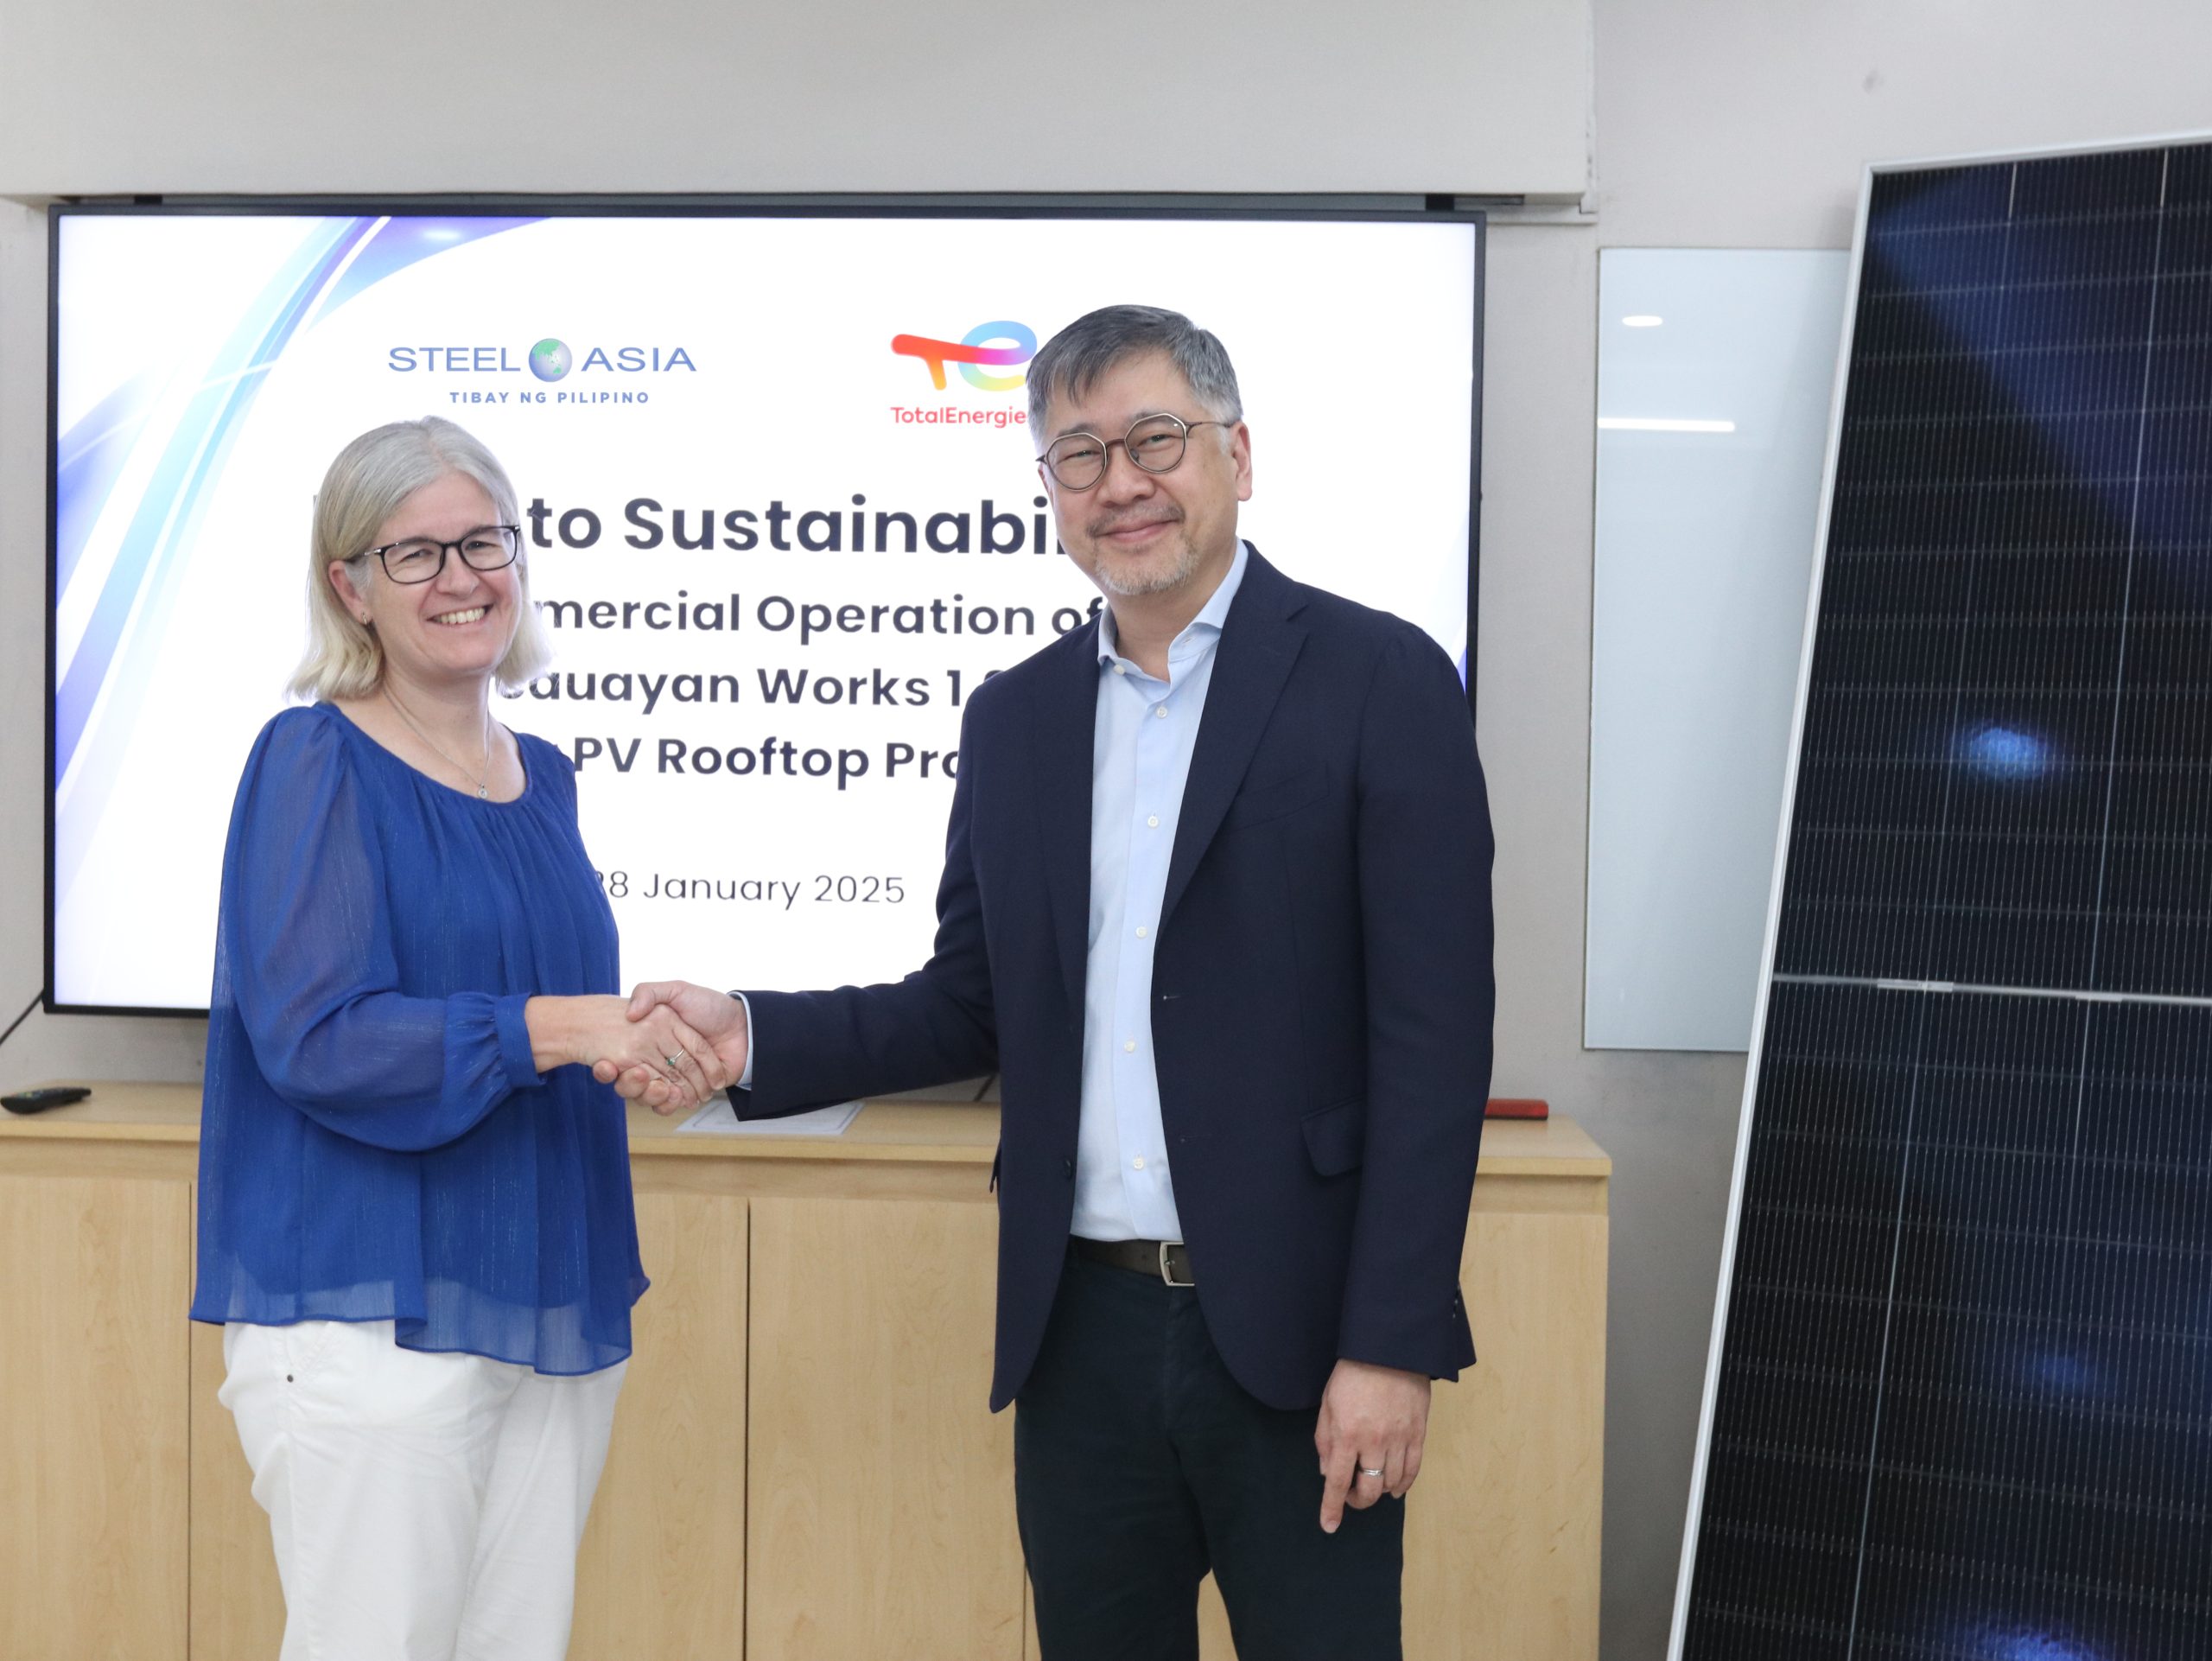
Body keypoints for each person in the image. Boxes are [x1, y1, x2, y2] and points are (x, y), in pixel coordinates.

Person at [606, 307, 1493, 1660]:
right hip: (1080, 1336)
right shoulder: (1014, 718)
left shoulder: (1381, 678)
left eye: (1155, 440)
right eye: (1079, 456)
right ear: (1050, 495)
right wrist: (750, 1033)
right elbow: (967, 1001)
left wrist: (1392, 1345)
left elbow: (1434, 1045)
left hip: (1305, 1337)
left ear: (1238, 454)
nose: (1121, 484)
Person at [192, 416, 732, 1661]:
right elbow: (319, 1038)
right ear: (351, 585)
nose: (462, 577)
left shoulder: (543, 776)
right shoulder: (311, 757)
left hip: (548, 1303)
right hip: (369, 1325)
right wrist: (556, 1026)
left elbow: (543, 1028)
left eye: (484, 540)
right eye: (416, 552)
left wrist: (640, 1050)